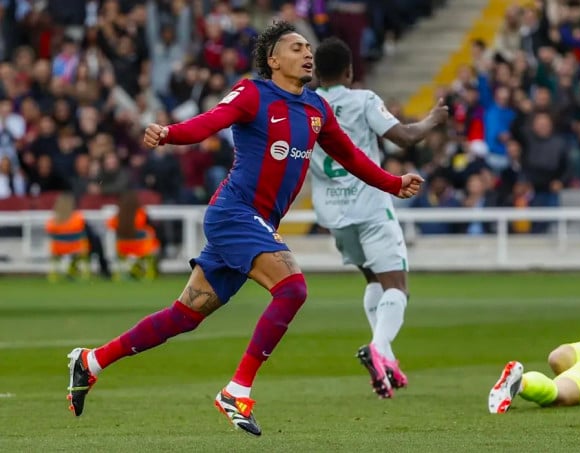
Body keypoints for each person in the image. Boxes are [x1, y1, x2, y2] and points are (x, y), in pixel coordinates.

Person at [65, 22, 424, 437]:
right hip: (234, 213)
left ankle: (91, 362)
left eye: (308, 47)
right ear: (273, 59)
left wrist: (394, 183)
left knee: (184, 315)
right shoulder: (254, 93)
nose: (307, 53)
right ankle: (237, 391)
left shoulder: (316, 109)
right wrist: (168, 134)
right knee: (293, 289)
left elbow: (352, 158)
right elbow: (210, 121)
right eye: (295, 47)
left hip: (256, 224)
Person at [309, 37, 448, 398]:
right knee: (397, 286)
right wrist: (433, 119)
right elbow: (403, 137)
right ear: (349, 71)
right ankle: (380, 349)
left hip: (333, 214)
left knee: (373, 278)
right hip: (370, 207)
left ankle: (386, 357)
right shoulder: (363, 100)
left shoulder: (304, 106)